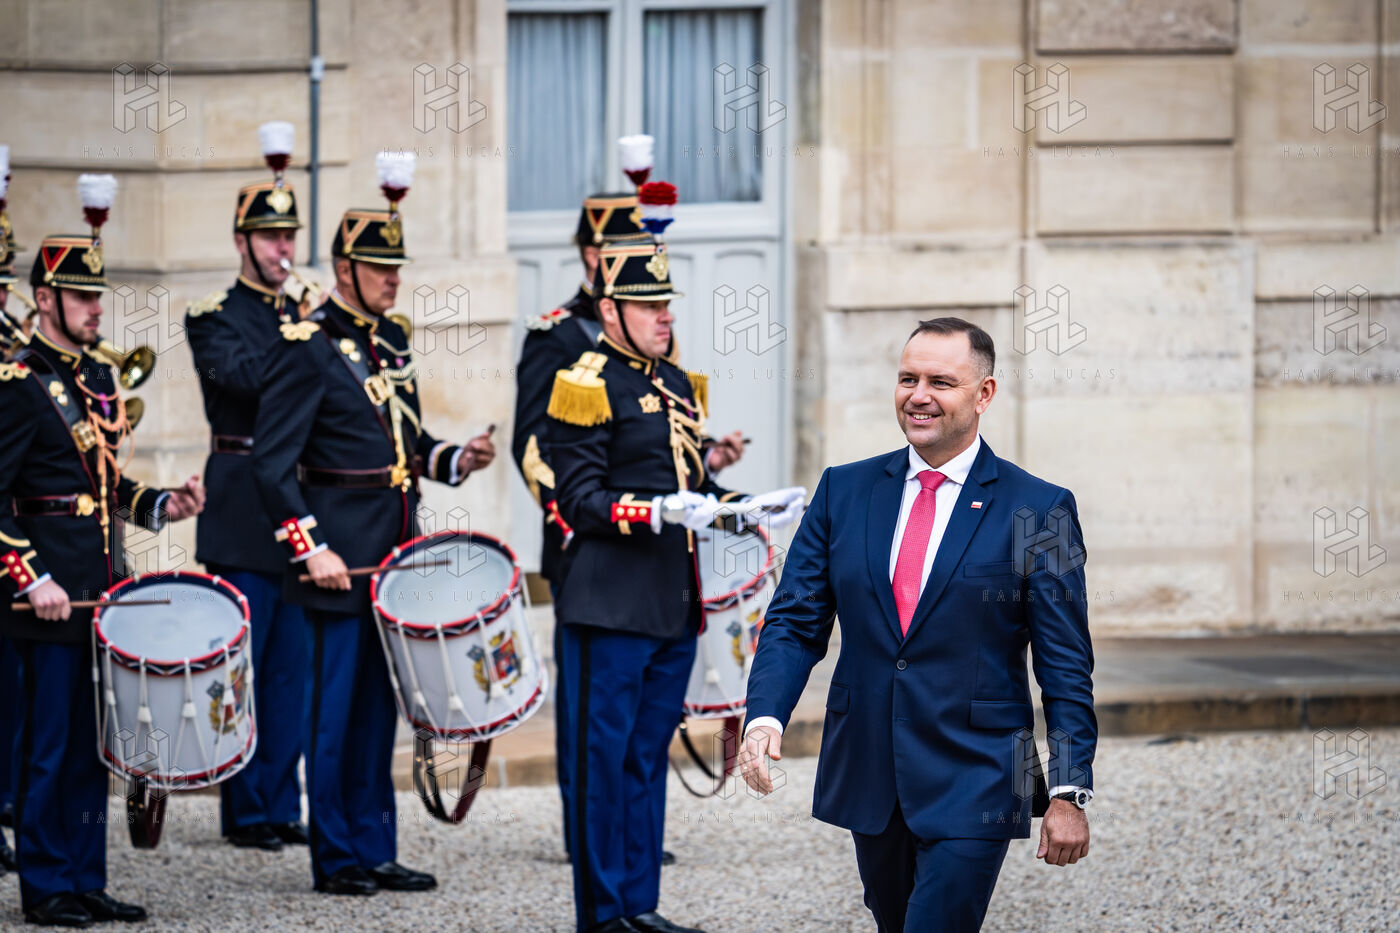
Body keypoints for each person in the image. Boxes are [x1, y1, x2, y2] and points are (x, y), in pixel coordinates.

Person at [739, 317, 1097, 933]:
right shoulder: (843, 490)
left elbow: (1064, 662)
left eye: (941, 382)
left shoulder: (1040, 508)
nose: (918, 396)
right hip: (870, 768)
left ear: (984, 394)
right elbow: (795, 620)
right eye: (908, 379)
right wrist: (765, 716)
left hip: (980, 772)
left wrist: (1068, 790)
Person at [251, 154, 496, 896]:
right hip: (335, 565)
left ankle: (374, 845)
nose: (393, 278)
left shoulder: (389, 341)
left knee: (376, 713)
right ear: (343, 269)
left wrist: (458, 459)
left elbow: (407, 447)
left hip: (391, 562)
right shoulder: (307, 346)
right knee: (330, 717)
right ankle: (335, 856)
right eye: (379, 268)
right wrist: (310, 548)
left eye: (395, 267)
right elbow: (271, 466)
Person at [547, 237, 800, 933]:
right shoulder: (584, 382)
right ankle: (603, 914)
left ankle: (640, 903)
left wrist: (747, 505)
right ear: (610, 310)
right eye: (647, 305)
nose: (664, 315)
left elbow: (694, 489)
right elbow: (577, 499)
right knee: (601, 763)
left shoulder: (675, 383)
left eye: (665, 303)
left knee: (643, 757)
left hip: (669, 602)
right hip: (607, 603)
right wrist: (653, 510)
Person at [510, 191, 742, 865]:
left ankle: (633, 870)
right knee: (597, 737)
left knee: (643, 744)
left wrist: (728, 496)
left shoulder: (664, 364)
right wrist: (582, 516)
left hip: (663, 576)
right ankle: (596, 857)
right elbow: (537, 449)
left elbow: (669, 453)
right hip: (594, 553)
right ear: (595, 259)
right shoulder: (560, 341)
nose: (663, 313)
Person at [0, 176, 204, 927]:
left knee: (95, 746)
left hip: (101, 592)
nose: (95, 309)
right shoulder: (18, 382)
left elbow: (106, 486)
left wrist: (164, 505)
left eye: (98, 297)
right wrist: (30, 577)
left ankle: (85, 876)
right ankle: (46, 885)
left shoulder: (96, 377)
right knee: (48, 746)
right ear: (44, 299)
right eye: (81, 297)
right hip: (46, 598)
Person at [185, 121, 310, 852]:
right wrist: (303, 340)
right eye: (269, 238)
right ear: (242, 242)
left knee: (293, 670)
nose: (282, 249)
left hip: (297, 504)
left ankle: (280, 802)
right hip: (239, 508)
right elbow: (240, 380)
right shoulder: (213, 319)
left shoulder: (302, 317)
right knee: (246, 669)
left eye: (289, 237)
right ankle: (245, 808)